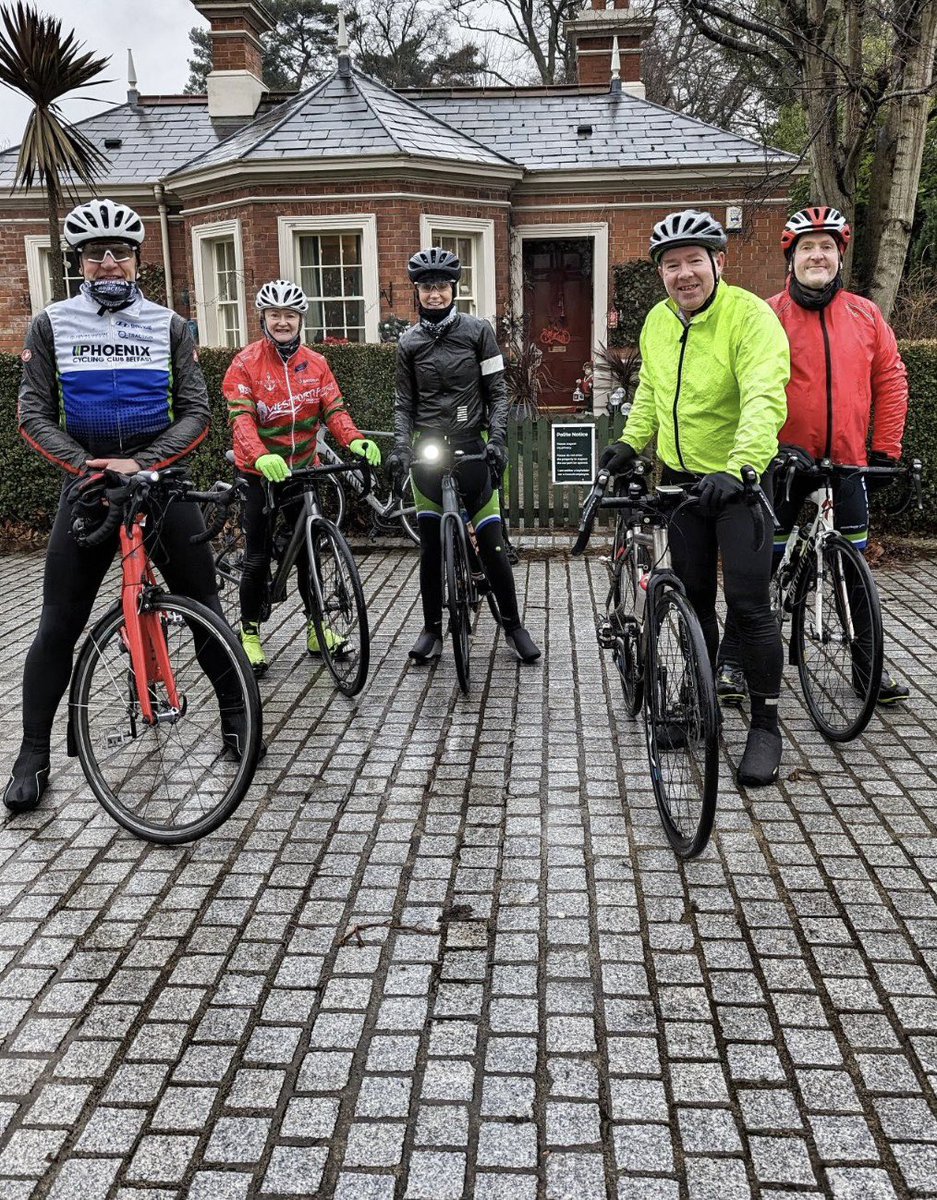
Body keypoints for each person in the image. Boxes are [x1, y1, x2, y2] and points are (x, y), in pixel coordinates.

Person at [4, 197, 235, 814]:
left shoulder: (170, 325)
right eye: (95, 254)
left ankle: (237, 717)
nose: (109, 262)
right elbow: (32, 413)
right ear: (78, 261)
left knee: (204, 603)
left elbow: (197, 411)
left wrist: (147, 462)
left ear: (137, 261)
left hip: (158, 479)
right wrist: (90, 467)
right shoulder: (51, 323)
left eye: (121, 253)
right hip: (87, 484)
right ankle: (33, 754)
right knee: (58, 622)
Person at [599, 210, 790, 786]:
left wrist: (741, 466)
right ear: (661, 273)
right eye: (671, 265)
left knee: (752, 607)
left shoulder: (749, 318)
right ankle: (695, 698)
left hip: (737, 485)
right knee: (697, 600)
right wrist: (630, 445)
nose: (683, 274)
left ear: (718, 263)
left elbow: (765, 395)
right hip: (682, 484)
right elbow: (653, 393)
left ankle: (765, 725)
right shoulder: (658, 321)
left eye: (693, 262)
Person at [717, 206, 910, 706]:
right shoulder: (768, 313)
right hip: (779, 463)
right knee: (757, 568)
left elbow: (890, 379)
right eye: (807, 247)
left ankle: (869, 667)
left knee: (855, 567)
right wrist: (763, 448)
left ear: (840, 255)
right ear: (792, 257)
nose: (817, 256)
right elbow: (740, 387)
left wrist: (886, 448)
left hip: (845, 461)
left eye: (827, 247)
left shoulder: (865, 314)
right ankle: (733, 665)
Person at [386, 247, 540, 664]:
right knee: (431, 547)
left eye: (441, 286)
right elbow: (403, 403)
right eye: (425, 287)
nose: (433, 294)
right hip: (429, 449)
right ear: (416, 292)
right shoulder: (409, 343)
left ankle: (513, 626)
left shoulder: (478, 332)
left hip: (473, 447)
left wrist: (498, 441)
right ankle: (431, 630)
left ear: (454, 288)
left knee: (491, 542)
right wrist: (401, 448)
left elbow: (498, 392)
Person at [223, 280, 381, 675]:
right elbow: (240, 418)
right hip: (258, 472)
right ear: (263, 319)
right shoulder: (245, 363)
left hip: (303, 469)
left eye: (288, 316)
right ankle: (249, 632)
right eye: (274, 315)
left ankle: (316, 627)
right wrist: (260, 457)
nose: (281, 322)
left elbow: (335, 411)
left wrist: (355, 440)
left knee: (311, 552)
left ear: (299, 321)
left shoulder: (317, 363)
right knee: (257, 558)